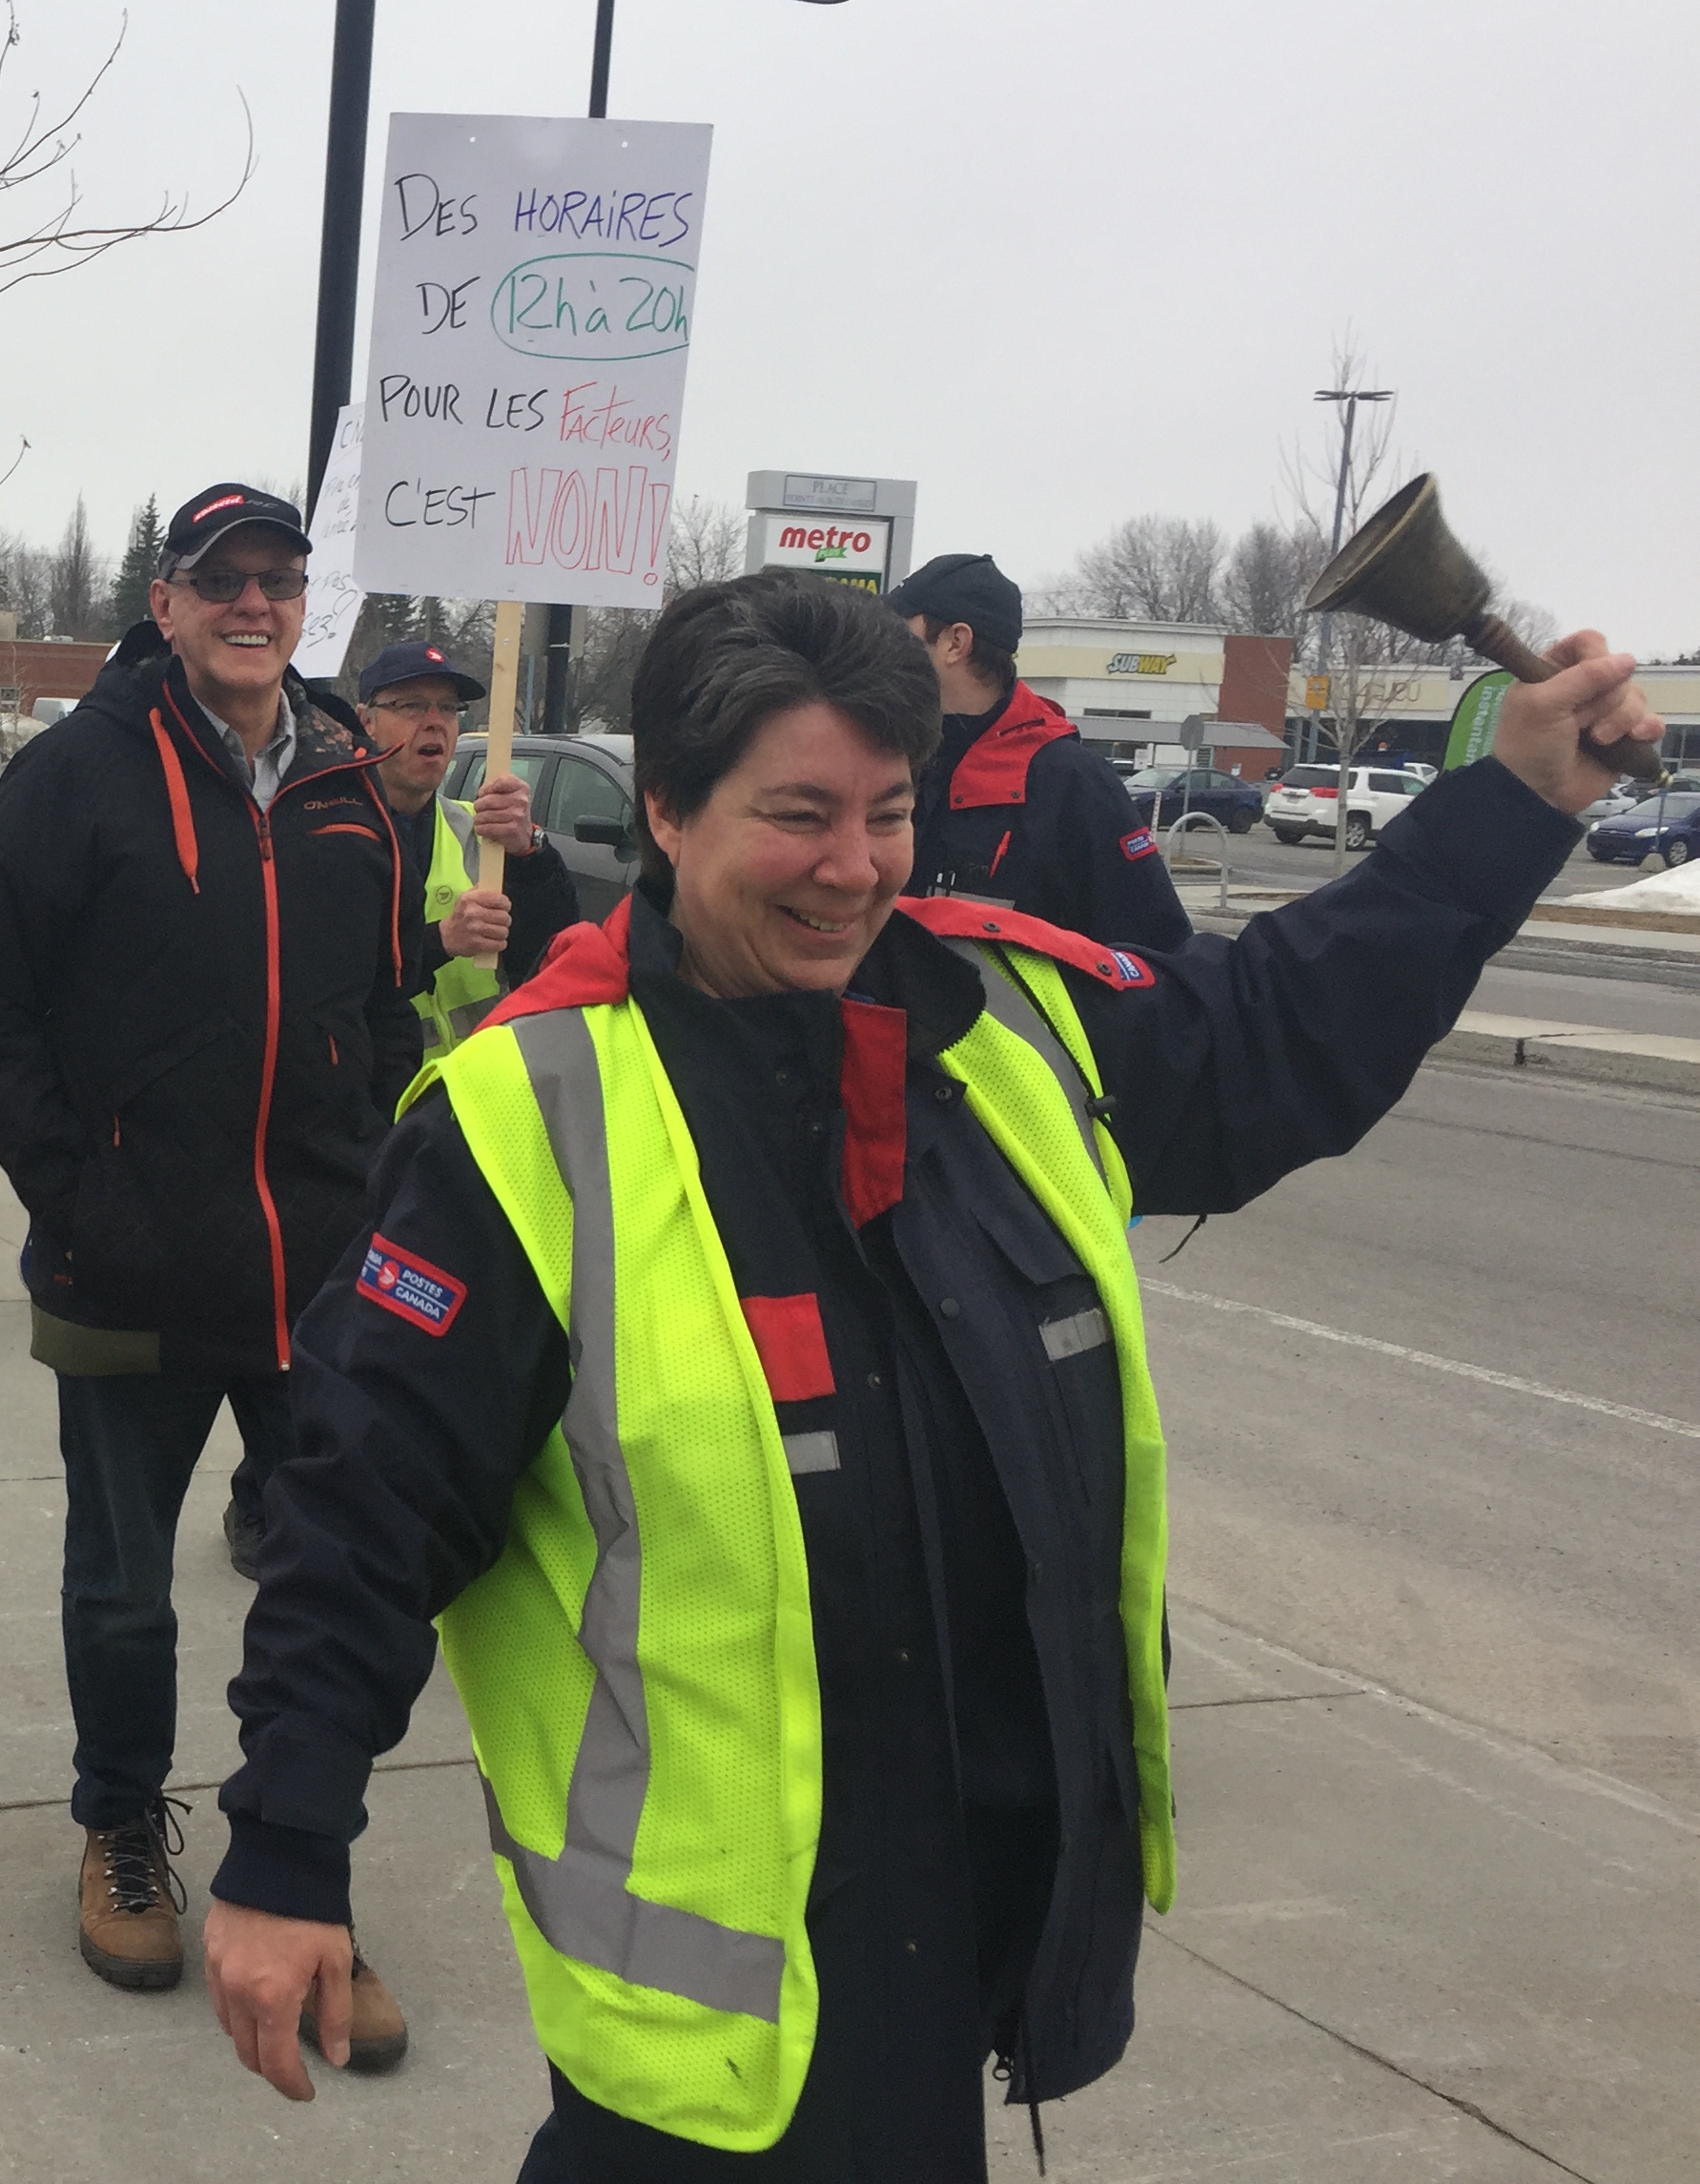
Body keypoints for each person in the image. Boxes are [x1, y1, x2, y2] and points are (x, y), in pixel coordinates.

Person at [198, 570, 1659, 2177]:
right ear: (668, 812)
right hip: (725, 1980)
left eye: (884, 812)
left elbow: (1269, 1035)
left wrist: (1509, 801)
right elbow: (358, 1504)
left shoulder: (1007, 1018)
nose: (849, 869)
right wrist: (283, 1848)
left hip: (969, 1906)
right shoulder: (524, 1114)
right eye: (798, 814)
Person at [0, 483, 420, 2036]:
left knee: (334, 1588)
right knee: (125, 1589)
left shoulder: (350, 789)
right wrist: (78, 1192)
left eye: (275, 580)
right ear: (165, 601)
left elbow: (385, 1012)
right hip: (126, 1262)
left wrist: (384, 1189)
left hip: (315, 1272)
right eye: (221, 581)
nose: (251, 604)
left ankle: (302, 1878)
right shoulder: (77, 773)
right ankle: (120, 1828)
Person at [895, 553, 1193, 953]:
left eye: (899, 633)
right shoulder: (892, 756)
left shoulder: (1071, 783)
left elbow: (1155, 956)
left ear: (955, 642)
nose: (886, 649)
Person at [353, 638, 584, 1090]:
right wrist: (440, 941)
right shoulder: (335, 835)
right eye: (412, 705)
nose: (435, 722)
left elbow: (552, 954)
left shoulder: (477, 831)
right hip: (382, 1109)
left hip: (486, 1099)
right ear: (367, 722)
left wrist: (529, 852)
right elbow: (335, 982)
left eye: (448, 708)